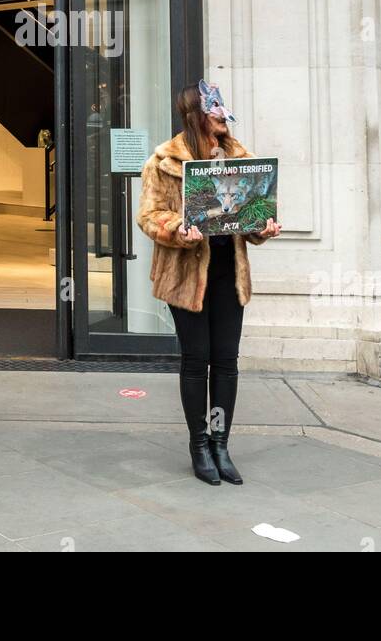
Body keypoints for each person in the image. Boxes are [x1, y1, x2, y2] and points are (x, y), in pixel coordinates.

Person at [137, 80, 280, 486]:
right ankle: (199, 445)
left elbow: (253, 213)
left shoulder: (240, 156)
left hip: (226, 272)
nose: (222, 118)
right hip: (184, 274)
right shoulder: (163, 160)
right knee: (196, 360)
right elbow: (149, 214)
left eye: (223, 112)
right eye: (215, 112)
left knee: (227, 361)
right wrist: (176, 227)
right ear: (196, 115)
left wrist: (263, 227)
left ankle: (221, 444)